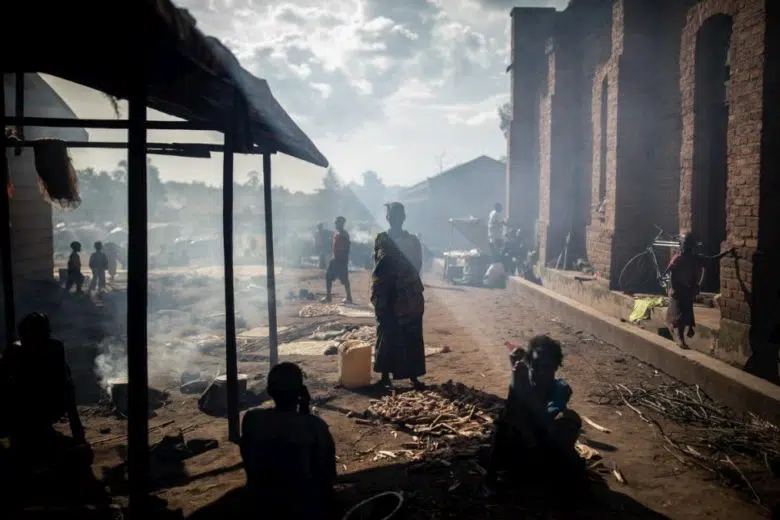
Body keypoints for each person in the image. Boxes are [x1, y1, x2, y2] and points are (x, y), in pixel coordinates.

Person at [484, 335, 583, 496]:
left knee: (570, 420)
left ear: (556, 367)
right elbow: (511, 412)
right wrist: (516, 381)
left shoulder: (560, 388)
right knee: (505, 419)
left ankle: (554, 480)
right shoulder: (522, 381)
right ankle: (490, 480)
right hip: (522, 448)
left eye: (548, 366)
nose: (542, 372)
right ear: (530, 364)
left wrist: (523, 386)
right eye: (537, 365)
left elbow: (545, 419)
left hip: (544, 448)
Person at [240, 362, 336, 519]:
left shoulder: (251, 419)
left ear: (270, 391)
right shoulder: (315, 426)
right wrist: (305, 410)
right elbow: (326, 473)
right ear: (301, 392)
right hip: (298, 508)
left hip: (260, 502)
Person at [0, 313, 86, 454]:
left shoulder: (19, 350)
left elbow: (65, 384)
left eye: (41, 331)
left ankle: (31, 432)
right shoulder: (52, 347)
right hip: (39, 406)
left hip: (35, 407)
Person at [372, 202, 426, 390]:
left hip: (407, 294)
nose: (394, 218)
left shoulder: (412, 241)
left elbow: (417, 265)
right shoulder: (381, 239)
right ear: (387, 218)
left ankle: (412, 375)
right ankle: (385, 375)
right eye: (391, 216)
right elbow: (377, 265)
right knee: (387, 332)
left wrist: (402, 280)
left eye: (397, 215)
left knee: (411, 333)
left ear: (403, 218)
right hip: (387, 294)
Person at [665, 234, 734, 348]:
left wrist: (726, 252)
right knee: (680, 315)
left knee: (685, 313)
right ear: (681, 246)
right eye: (685, 245)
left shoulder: (696, 258)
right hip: (678, 289)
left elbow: (712, 259)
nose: (687, 248)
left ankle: (675, 329)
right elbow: (673, 275)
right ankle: (681, 339)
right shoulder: (678, 259)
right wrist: (675, 289)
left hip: (688, 290)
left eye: (689, 245)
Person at [323, 216, 353, 304]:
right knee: (329, 277)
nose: (335, 224)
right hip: (336, 260)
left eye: (337, 222)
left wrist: (341, 260)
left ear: (341, 223)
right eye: (335, 222)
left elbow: (345, 249)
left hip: (340, 260)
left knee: (344, 279)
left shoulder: (344, 235)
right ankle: (329, 297)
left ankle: (348, 298)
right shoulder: (337, 234)